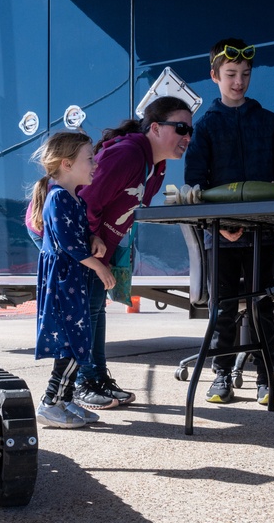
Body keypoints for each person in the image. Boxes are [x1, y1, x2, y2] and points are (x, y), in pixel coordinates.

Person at [184, 38, 274, 405]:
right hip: (222, 234)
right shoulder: (206, 127)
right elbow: (196, 186)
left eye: (245, 74)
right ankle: (221, 377)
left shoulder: (270, 122)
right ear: (215, 75)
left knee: (263, 305)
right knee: (224, 307)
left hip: (264, 234)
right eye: (231, 74)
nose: (239, 82)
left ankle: (267, 381)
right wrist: (216, 225)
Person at [72, 95, 194, 410]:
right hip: (66, 232)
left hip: (98, 240)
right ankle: (80, 382)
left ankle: (97, 376)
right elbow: (83, 200)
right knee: (86, 308)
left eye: (191, 130)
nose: (187, 137)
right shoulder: (127, 155)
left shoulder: (158, 166)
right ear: (155, 127)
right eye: (181, 127)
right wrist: (91, 244)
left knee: (96, 306)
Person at [29, 131, 116, 428]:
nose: (95, 165)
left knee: (77, 340)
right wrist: (100, 267)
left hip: (72, 281)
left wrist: (93, 236)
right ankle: (51, 403)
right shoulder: (58, 198)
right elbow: (67, 244)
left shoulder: (73, 199)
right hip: (64, 283)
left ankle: (65, 401)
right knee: (72, 343)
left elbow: (73, 235)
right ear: (67, 164)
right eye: (89, 159)